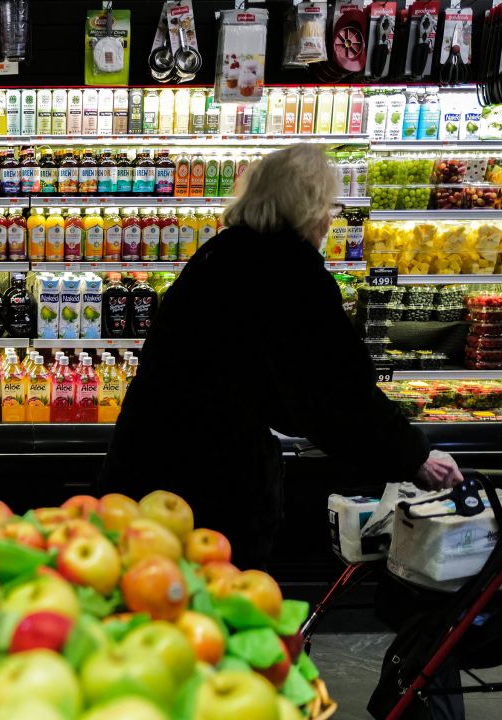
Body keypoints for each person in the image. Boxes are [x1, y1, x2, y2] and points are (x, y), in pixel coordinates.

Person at [100, 144, 462, 571]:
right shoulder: (290, 271)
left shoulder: (221, 253)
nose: (330, 219)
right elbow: (336, 393)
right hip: (209, 486)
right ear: (308, 208)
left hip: (146, 461)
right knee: (215, 606)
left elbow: (272, 380)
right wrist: (414, 457)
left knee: (144, 593)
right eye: (328, 206)